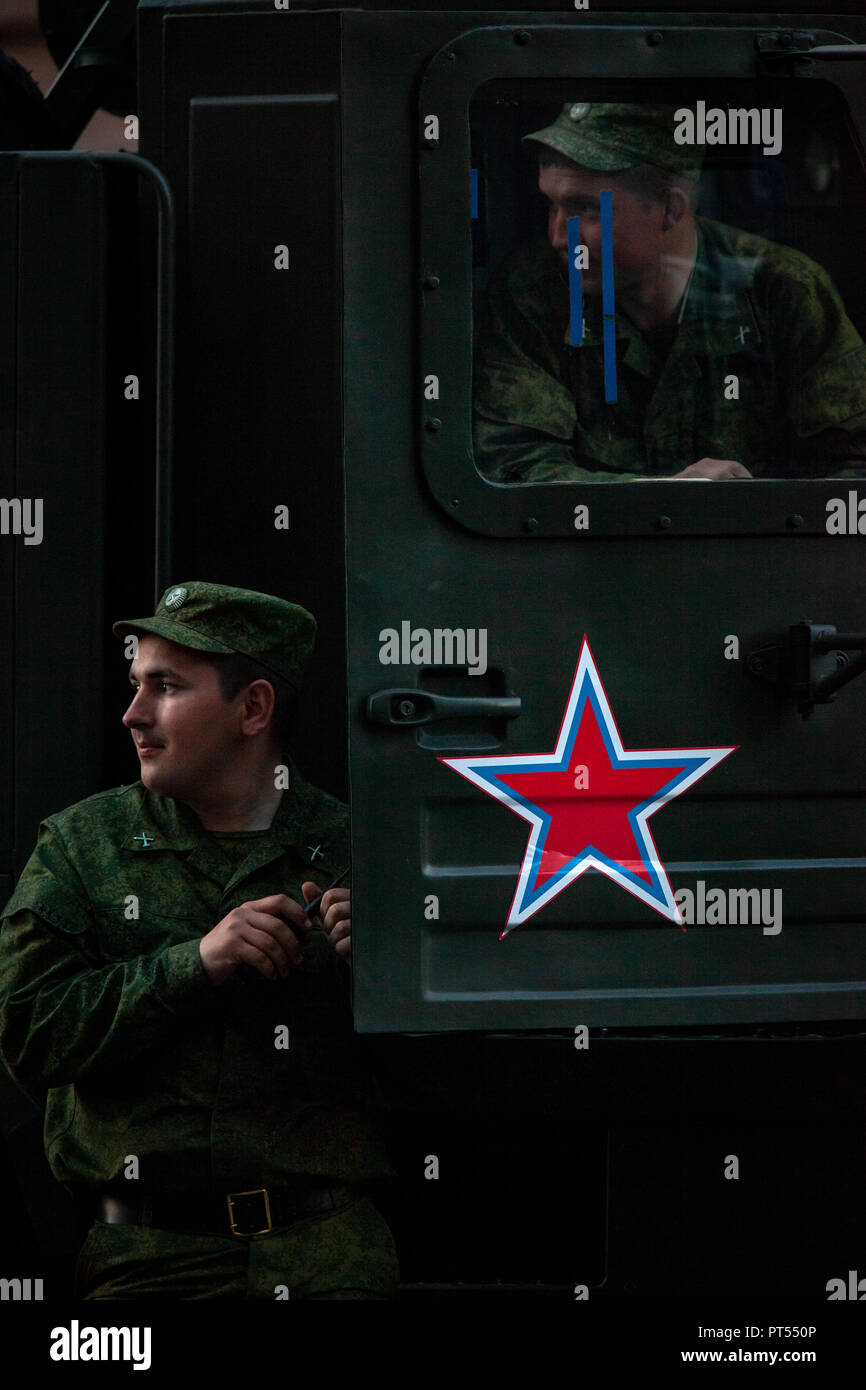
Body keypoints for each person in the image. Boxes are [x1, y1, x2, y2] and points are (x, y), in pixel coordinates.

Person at [0, 581, 399, 1299]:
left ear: (252, 709)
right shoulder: (83, 847)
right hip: (148, 1264)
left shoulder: (358, 849)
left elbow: (454, 1074)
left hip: (329, 1263)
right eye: (135, 685)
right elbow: (29, 1032)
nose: (133, 714)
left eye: (166, 687)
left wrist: (383, 976)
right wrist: (195, 966)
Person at [473, 101, 866, 483]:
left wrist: (753, 508)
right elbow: (513, 464)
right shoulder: (531, 291)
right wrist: (661, 497)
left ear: (671, 210)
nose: (559, 235)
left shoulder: (783, 291)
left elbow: (855, 465)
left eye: (585, 209)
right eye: (552, 206)